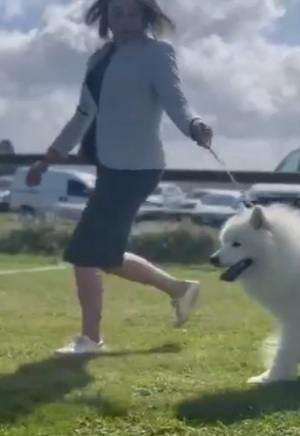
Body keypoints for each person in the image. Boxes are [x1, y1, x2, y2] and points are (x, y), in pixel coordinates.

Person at [25, 0, 213, 355]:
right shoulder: (99, 60)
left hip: (138, 168)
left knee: (84, 251)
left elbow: (176, 100)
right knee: (103, 254)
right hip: (111, 166)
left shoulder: (158, 53)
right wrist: (45, 161)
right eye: (116, 13)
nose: (123, 20)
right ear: (106, 18)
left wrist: (194, 126)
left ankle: (91, 340)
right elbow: (81, 117)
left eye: (131, 12)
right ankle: (178, 290)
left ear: (145, 16)